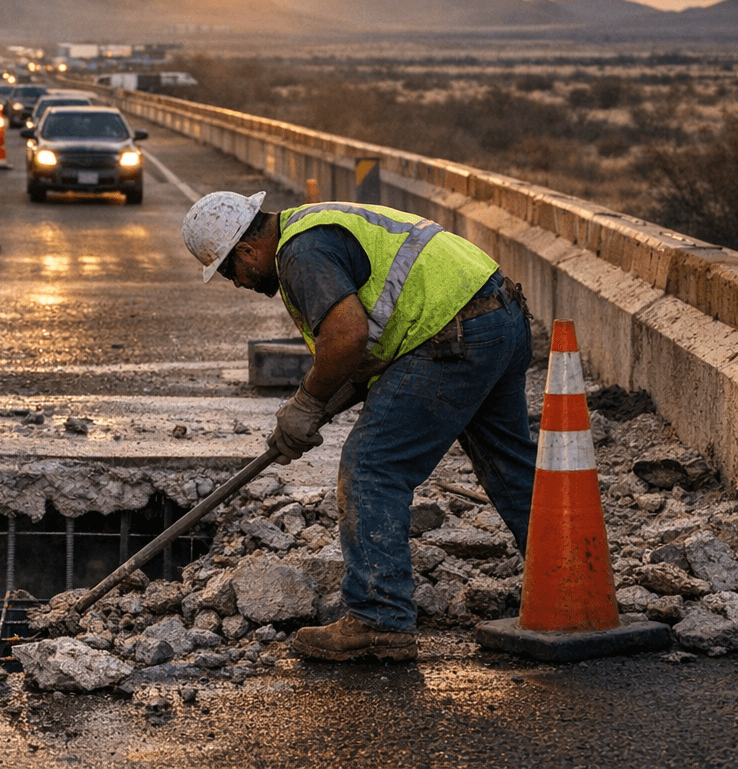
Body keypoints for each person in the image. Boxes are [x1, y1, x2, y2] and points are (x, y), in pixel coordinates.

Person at [182, 191, 536, 661]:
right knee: (508, 461)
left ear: (246, 251)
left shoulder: (300, 254)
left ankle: (378, 620)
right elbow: (367, 350)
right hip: (498, 317)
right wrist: (318, 408)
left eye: (230, 271)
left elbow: (346, 336)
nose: (238, 282)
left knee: (371, 466)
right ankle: (571, 581)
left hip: (452, 334)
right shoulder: (316, 225)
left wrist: (307, 402)